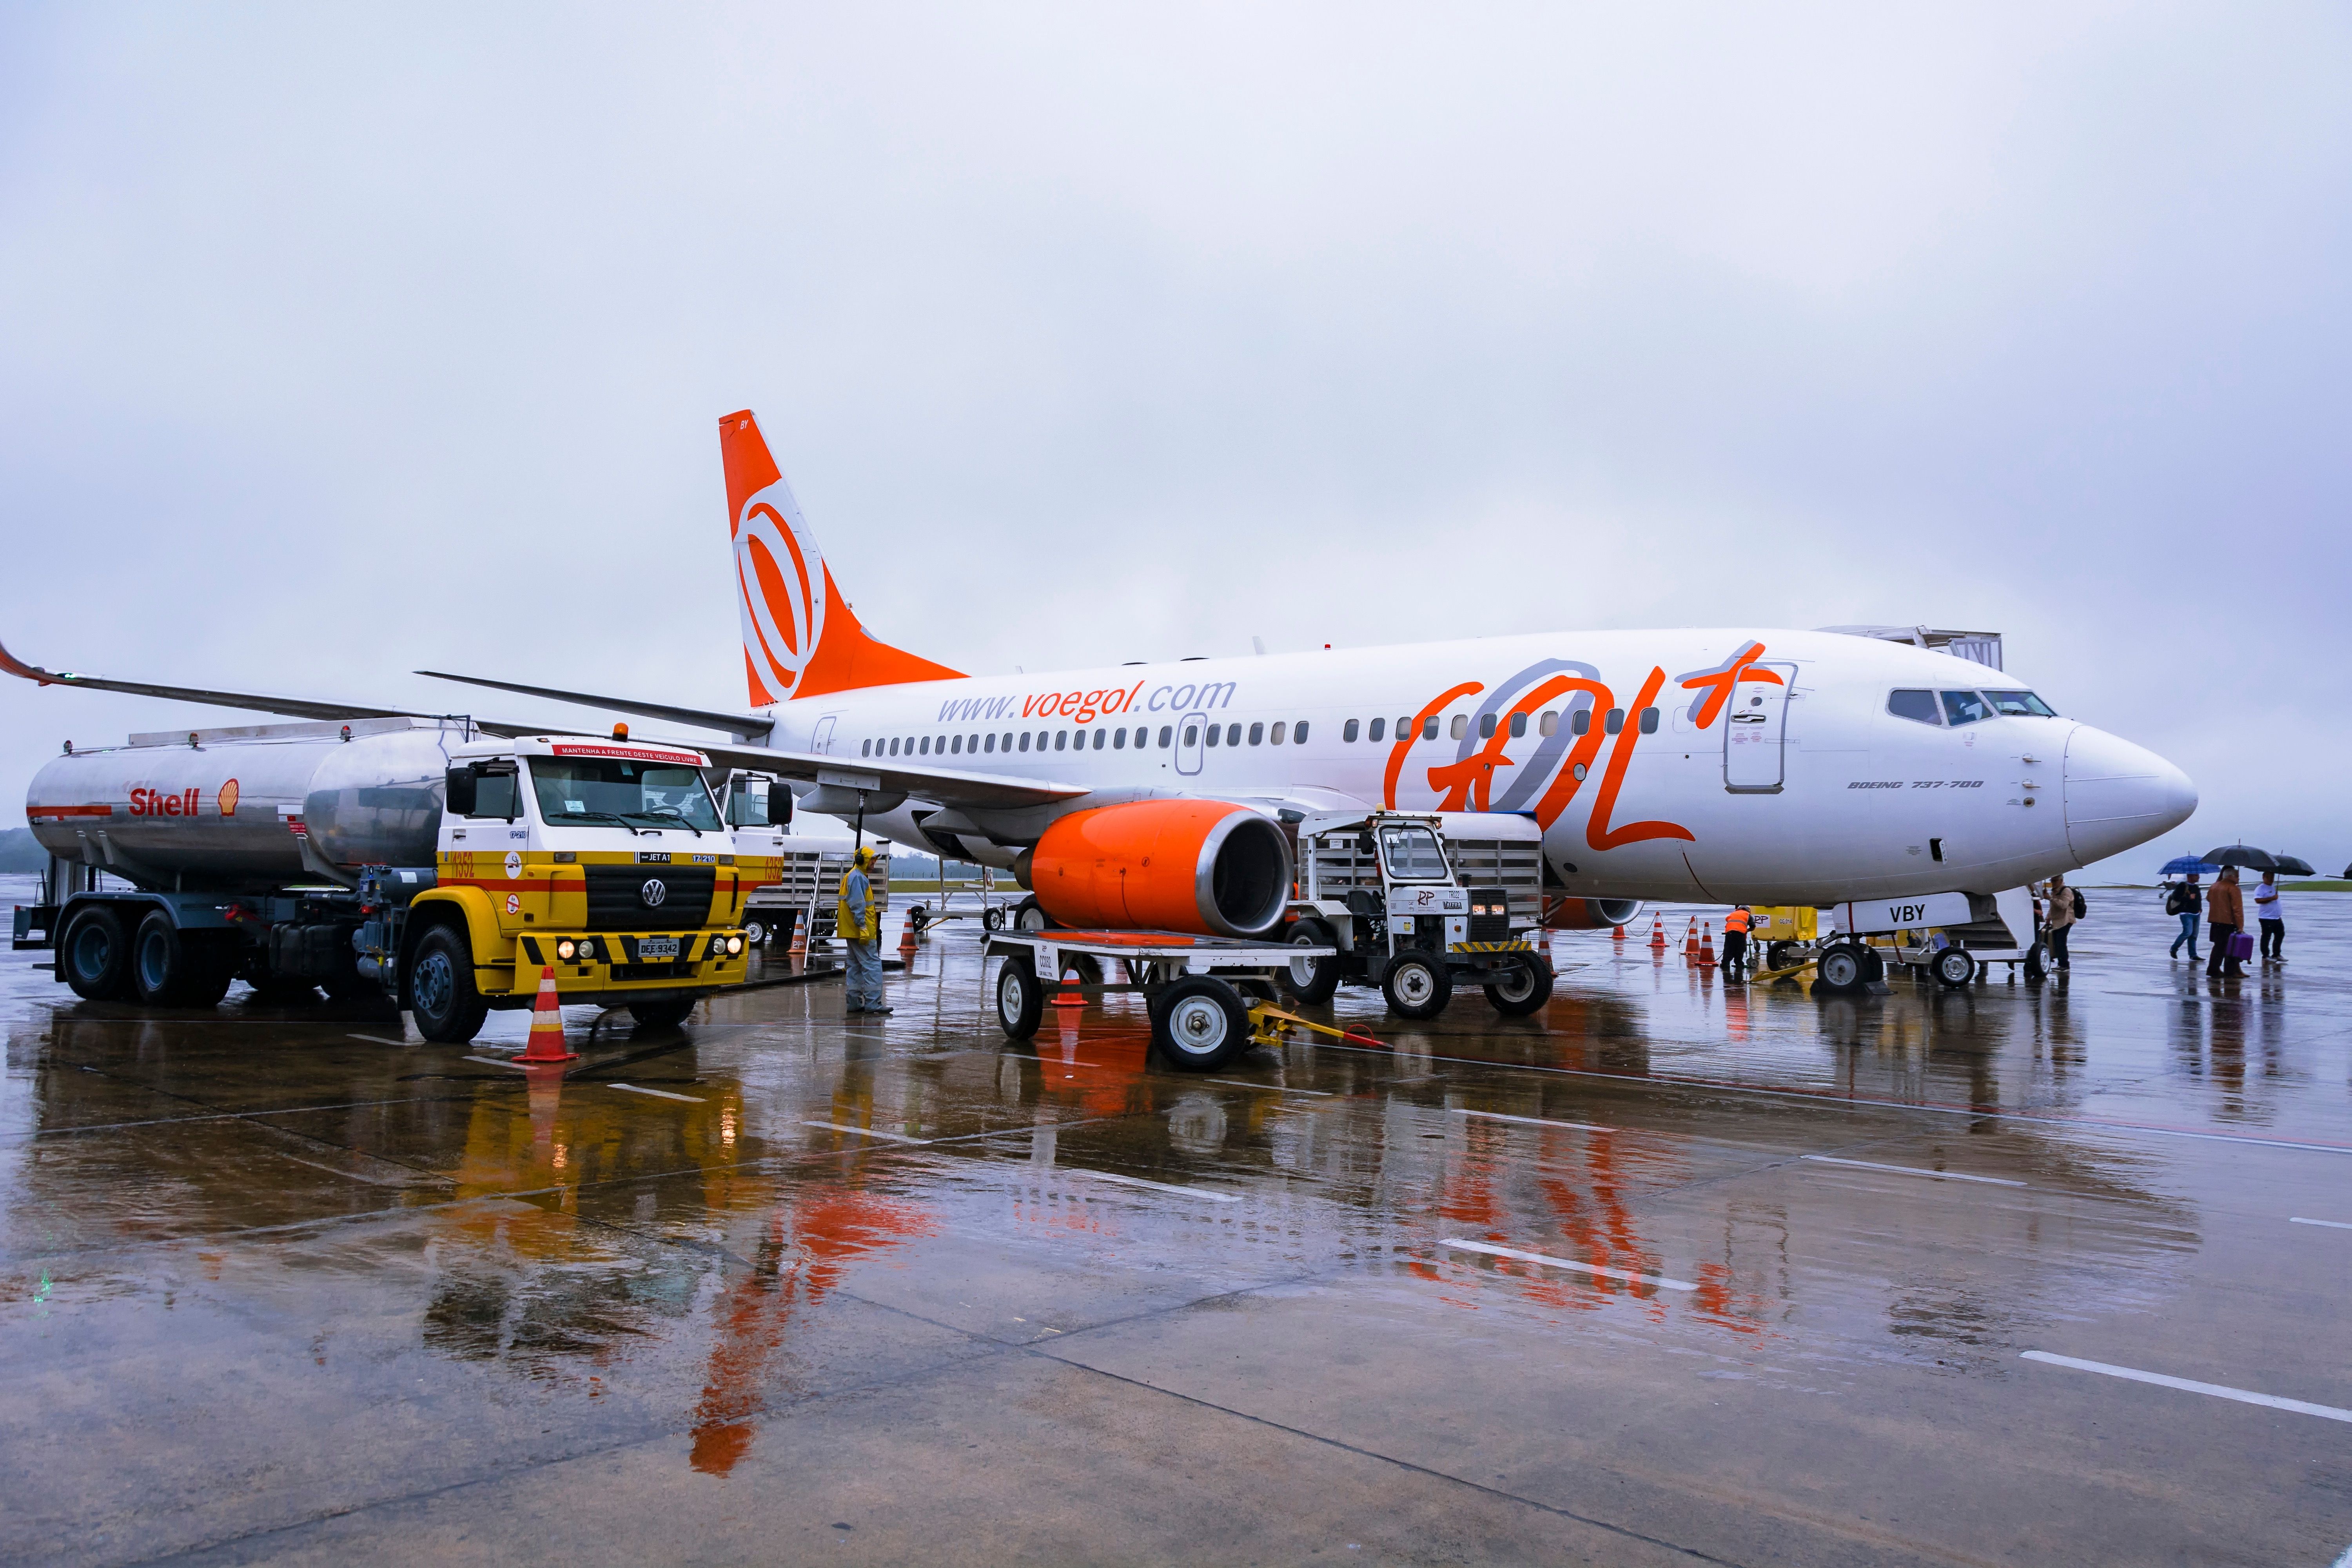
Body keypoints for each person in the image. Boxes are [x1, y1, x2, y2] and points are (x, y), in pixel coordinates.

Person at [838, 844, 890, 1015]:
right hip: (862, 930)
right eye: (872, 860)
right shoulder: (858, 877)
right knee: (872, 965)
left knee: (854, 966)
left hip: (852, 930)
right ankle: (874, 1003)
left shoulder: (853, 876)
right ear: (862, 860)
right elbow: (857, 904)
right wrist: (862, 927)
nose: (874, 863)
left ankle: (853, 1003)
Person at [2205, 866, 2245, 978]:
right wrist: (2240, 926)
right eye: (2237, 876)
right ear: (2231, 876)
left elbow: (2209, 899)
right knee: (2231, 948)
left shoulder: (2214, 886)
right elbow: (2238, 910)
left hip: (2215, 921)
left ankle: (2213, 969)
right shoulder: (2234, 889)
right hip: (2229, 923)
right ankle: (2230, 971)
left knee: (2218, 948)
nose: (2239, 879)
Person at [2042, 873, 2076, 971]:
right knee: (2056, 942)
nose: (2053, 883)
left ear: (2061, 881)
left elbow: (2064, 905)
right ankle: (2061, 963)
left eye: (2055, 881)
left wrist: (2050, 898)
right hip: (2057, 920)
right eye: (2052, 881)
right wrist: (2049, 917)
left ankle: (2064, 965)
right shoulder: (2055, 891)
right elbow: (2053, 907)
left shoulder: (2066, 891)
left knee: (2061, 942)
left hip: (2066, 920)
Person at [2165, 874, 2201, 962]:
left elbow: (2199, 899)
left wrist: (2200, 909)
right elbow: (2176, 897)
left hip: (2196, 914)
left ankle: (2193, 955)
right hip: (2186, 914)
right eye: (2196, 875)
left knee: (2194, 936)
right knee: (2187, 933)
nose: (2199, 877)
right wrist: (2189, 898)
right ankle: (2174, 949)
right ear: (2190, 876)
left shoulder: (2196, 887)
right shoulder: (2182, 886)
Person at [2253, 869, 2286, 964]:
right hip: (2266, 918)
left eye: (2273, 878)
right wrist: (2272, 898)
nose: (2272, 879)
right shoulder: (2260, 888)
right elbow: (2258, 900)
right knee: (2266, 937)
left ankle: (2276, 954)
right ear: (2264, 878)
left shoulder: (2273, 887)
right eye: (2270, 877)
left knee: (2280, 934)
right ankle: (2265, 956)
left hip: (2276, 917)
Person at [1721, 906, 1751, 980]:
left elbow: (1727, 919)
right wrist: (1747, 930)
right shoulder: (1748, 915)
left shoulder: (1733, 914)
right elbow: (1753, 926)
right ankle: (1739, 965)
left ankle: (1725, 965)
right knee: (1740, 950)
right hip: (1740, 935)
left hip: (1730, 934)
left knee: (1728, 949)